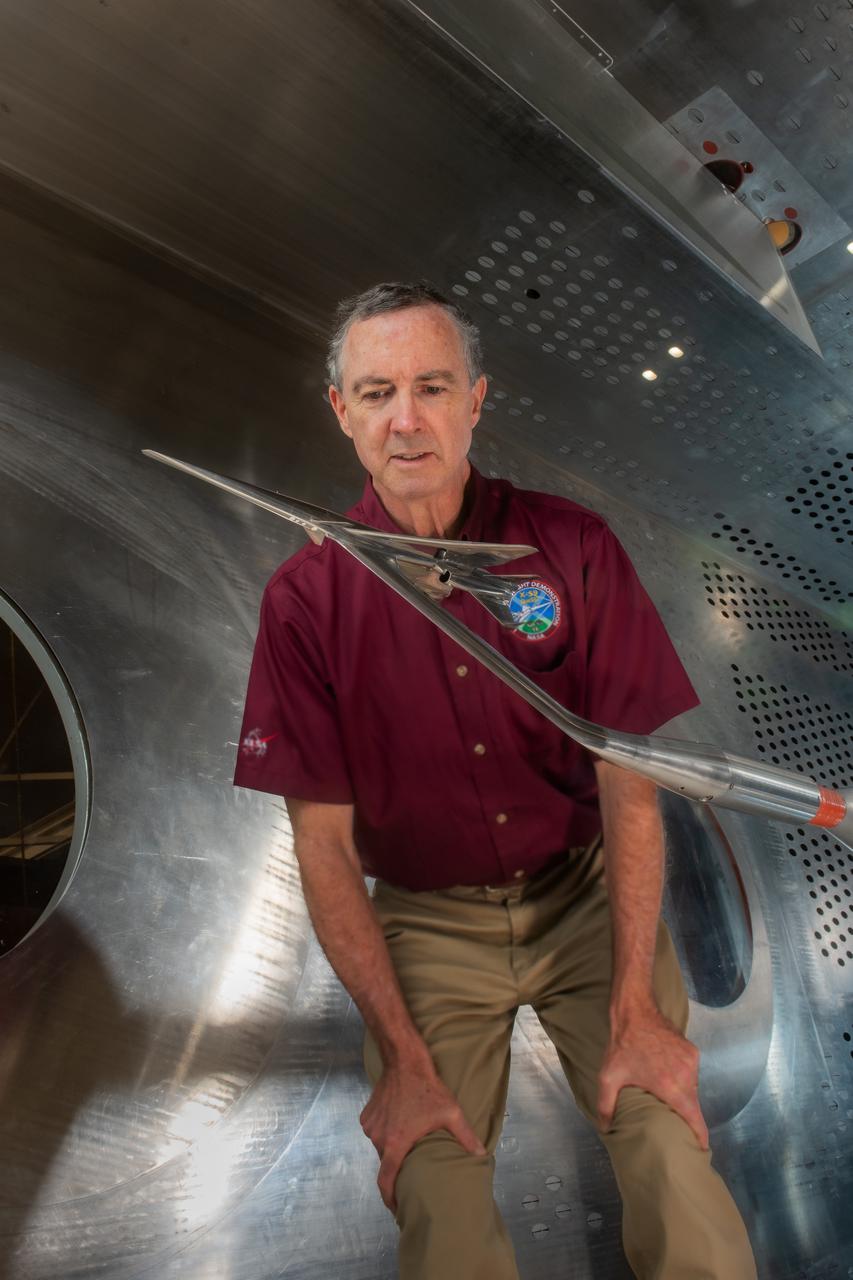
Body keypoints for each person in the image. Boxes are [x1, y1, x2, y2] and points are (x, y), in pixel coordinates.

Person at [234, 281, 757, 1280]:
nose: (406, 419)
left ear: (475, 400)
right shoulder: (304, 600)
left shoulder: (573, 547)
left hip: (586, 896)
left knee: (661, 1132)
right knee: (431, 1173)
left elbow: (629, 783)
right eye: (377, 392)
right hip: (426, 924)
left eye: (432, 387)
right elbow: (323, 844)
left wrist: (638, 1012)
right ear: (341, 410)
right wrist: (401, 1056)